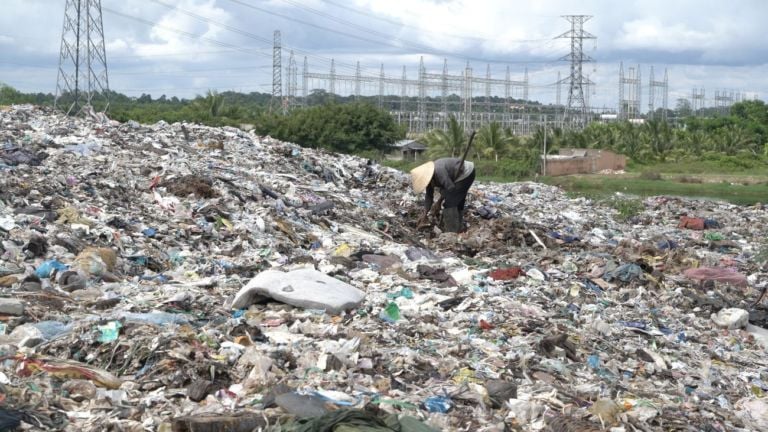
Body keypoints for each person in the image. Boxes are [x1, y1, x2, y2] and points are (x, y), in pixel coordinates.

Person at [410, 157, 475, 232]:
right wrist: (425, 213)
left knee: (450, 203)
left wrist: (439, 202)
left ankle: (452, 231)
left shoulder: (439, 171)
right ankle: (458, 226)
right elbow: (429, 196)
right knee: (457, 201)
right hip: (458, 175)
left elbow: (450, 188)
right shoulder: (429, 179)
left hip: (466, 172)